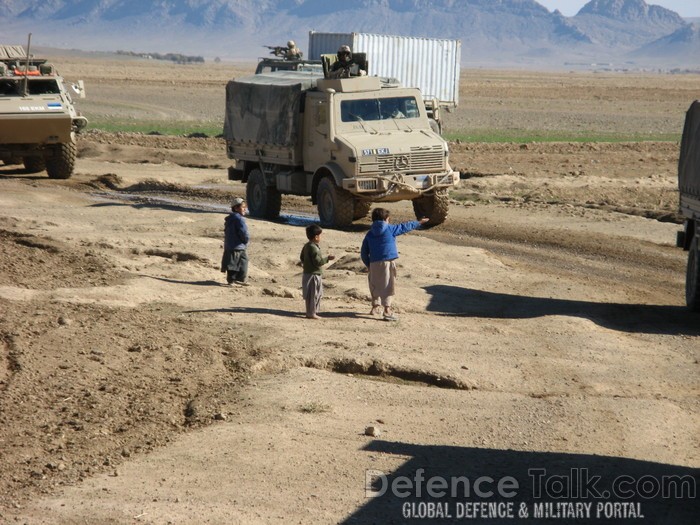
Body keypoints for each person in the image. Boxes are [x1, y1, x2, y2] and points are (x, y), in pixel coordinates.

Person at [360, 208, 429, 321]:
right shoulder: (390, 229)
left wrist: (368, 265)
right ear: (386, 219)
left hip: (373, 263)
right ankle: (387, 310)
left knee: (374, 285)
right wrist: (419, 222)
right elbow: (404, 227)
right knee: (388, 286)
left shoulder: (369, 233)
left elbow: (364, 252)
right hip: (387, 262)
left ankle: (375, 307)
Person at [300, 224, 335, 319]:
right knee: (313, 294)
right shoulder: (313, 248)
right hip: (313, 275)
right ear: (316, 237)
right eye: (320, 235)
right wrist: (327, 259)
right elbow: (318, 262)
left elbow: (302, 257)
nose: (321, 237)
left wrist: (306, 264)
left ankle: (312, 312)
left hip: (308, 273)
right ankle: (311, 313)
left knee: (312, 294)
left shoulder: (307, 246)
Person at [221, 197, 250, 286]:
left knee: (237, 262)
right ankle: (233, 281)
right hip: (238, 246)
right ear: (236, 208)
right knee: (235, 264)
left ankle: (238, 280)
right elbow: (243, 232)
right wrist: (246, 240)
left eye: (245, 207)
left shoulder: (230, 219)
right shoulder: (239, 219)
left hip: (231, 246)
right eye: (243, 207)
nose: (245, 209)